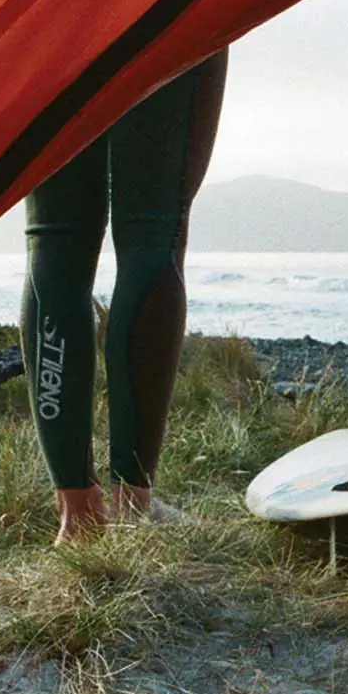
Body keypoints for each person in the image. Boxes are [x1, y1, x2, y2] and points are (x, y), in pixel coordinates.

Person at [20, 49, 229, 544]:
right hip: (162, 14)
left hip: (46, 24)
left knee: (55, 239)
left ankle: (77, 513)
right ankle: (133, 504)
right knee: (153, 231)